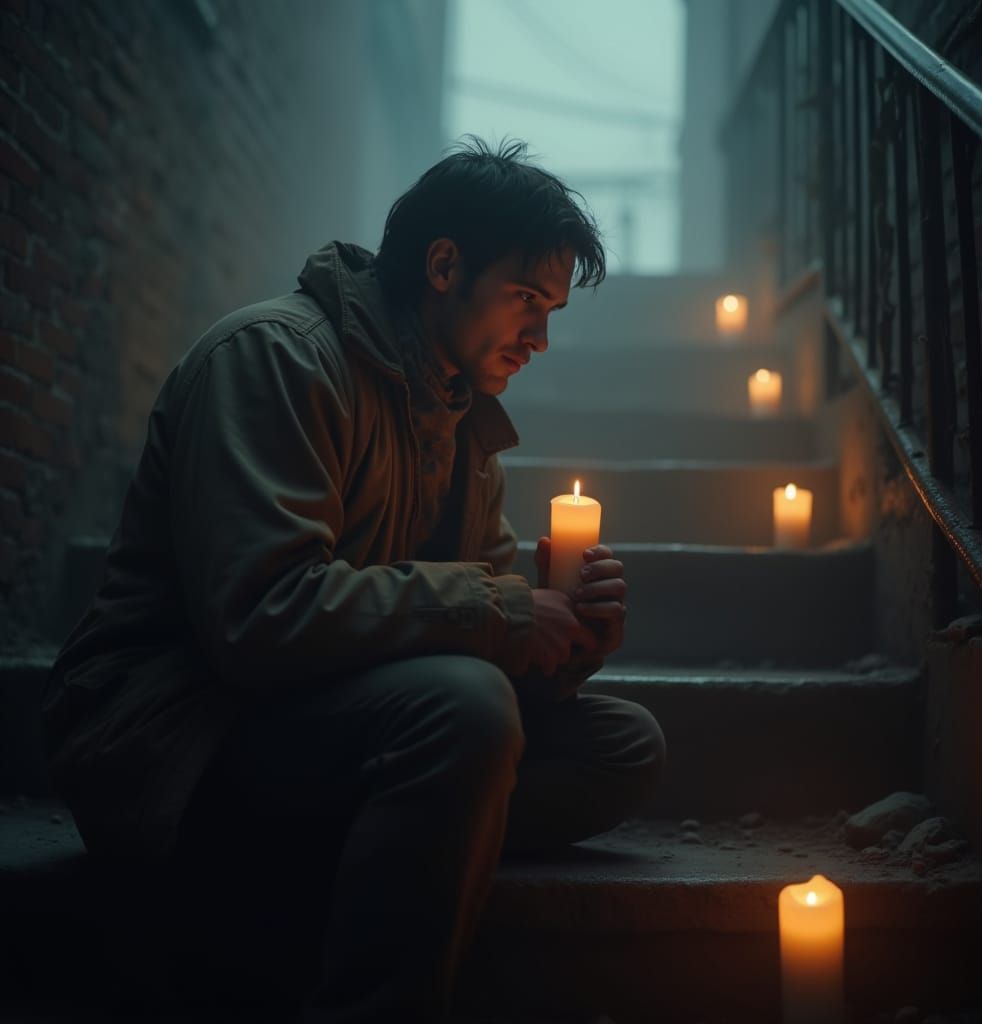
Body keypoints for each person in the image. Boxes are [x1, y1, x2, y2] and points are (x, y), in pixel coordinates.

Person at [41, 137, 666, 1023]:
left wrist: (567, 637)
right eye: (527, 300)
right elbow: (258, 620)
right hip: (181, 730)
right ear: (444, 265)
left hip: (331, 714)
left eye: (553, 311)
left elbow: (483, 625)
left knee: (620, 746)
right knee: (463, 712)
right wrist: (499, 611)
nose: (541, 338)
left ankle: (386, 839)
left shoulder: (462, 417)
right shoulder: (275, 359)